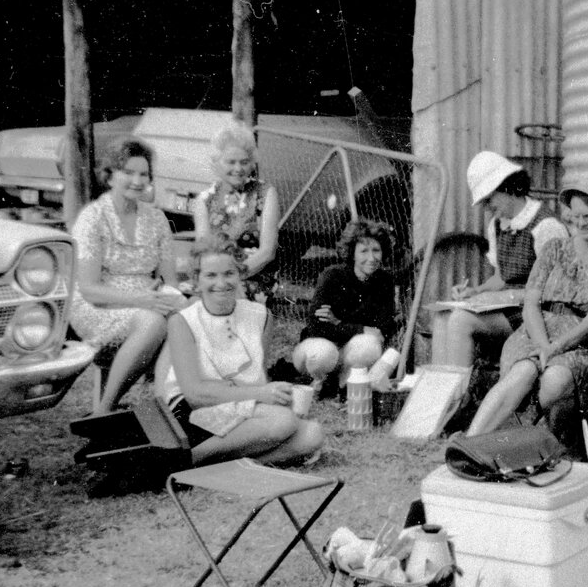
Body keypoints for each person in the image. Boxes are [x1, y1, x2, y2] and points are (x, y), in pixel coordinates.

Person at [466, 175, 588, 435]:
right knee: (523, 369)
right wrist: (544, 346)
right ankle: (470, 442)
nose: (580, 223)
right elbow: (531, 304)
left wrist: (556, 348)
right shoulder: (554, 249)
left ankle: (517, 436)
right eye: (575, 216)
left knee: (555, 380)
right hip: (538, 329)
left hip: (581, 342)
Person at [159, 235, 323, 466]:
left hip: (239, 405)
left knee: (312, 434)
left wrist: (275, 396)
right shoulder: (183, 321)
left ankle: (218, 466)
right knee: (282, 422)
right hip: (192, 412)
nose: (221, 283)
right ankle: (188, 459)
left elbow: (256, 377)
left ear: (240, 274)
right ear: (196, 280)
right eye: (211, 275)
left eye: (229, 273)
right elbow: (195, 395)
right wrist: (261, 395)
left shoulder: (260, 316)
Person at [71, 137, 186, 415]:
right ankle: (104, 411)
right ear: (110, 176)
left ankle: (163, 404)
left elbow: (170, 282)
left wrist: (174, 301)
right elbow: (88, 289)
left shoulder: (156, 219)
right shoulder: (93, 217)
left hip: (149, 302)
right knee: (152, 322)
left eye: (144, 174)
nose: (137, 180)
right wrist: (140, 300)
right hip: (98, 306)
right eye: (128, 172)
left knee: (184, 320)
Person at [435, 151, 568, 368]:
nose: (487, 208)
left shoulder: (546, 226)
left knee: (460, 320)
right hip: (512, 308)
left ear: (508, 187)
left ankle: (456, 388)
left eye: (488, 199)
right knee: (442, 318)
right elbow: (501, 277)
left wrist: (505, 296)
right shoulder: (497, 225)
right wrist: (475, 292)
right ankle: (442, 388)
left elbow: (557, 290)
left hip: (540, 314)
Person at [291, 218, 397, 395]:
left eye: (376, 250)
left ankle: (343, 386)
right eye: (364, 251)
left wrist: (337, 322)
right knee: (322, 353)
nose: (371, 258)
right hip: (319, 347)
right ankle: (318, 380)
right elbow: (317, 327)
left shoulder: (385, 281)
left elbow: (382, 328)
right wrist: (360, 328)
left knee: (370, 345)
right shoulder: (332, 276)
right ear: (352, 253)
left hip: (350, 351)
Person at [192, 121, 279, 302]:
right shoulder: (204, 201)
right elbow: (204, 253)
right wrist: (221, 281)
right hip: (217, 279)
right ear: (217, 163)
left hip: (255, 278)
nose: (238, 169)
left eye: (244, 162)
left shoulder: (265, 193)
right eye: (231, 162)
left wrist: (232, 279)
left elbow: (268, 252)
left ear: (252, 162)